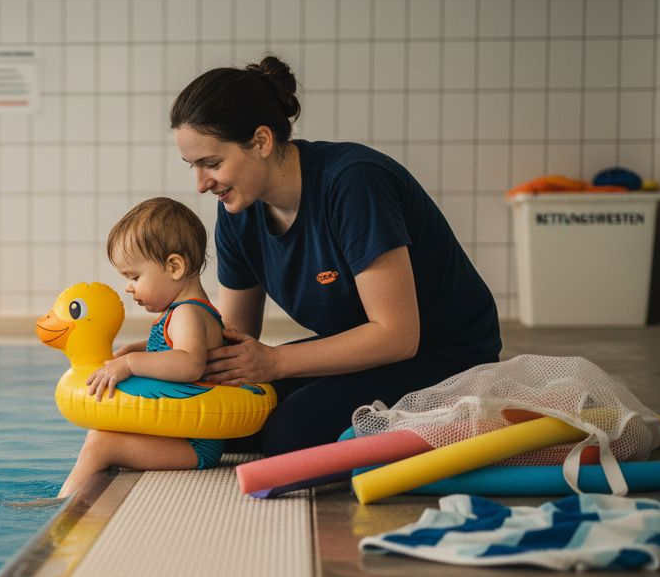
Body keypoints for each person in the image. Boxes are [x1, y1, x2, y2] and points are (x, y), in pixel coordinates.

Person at [169, 55, 501, 457]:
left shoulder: (354, 184)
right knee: (218, 417)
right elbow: (237, 338)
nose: (201, 184)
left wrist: (276, 363)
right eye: (193, 166)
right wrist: (172, 351)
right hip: (358, 349)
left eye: (212, 163)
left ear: (260, 141)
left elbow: (397, 336)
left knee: (288, 434)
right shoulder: (238, 211)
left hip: (443, 353)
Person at [57, 197, 230, 497]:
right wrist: (132, 350)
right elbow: (170, 351)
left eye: (135, 276)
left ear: (174, 266)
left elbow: (189, 363)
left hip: (194, 445)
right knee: (103, 433)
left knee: (101, 443)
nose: (129, 287)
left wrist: (130, 363)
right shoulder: (184, 312)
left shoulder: (187, 313)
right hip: (182, 433)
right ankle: (89, 490)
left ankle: (59, 506)